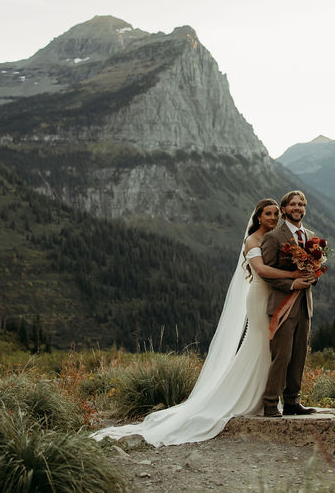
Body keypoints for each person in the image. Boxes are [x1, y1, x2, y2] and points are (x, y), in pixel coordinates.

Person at [91, 198, 306, 446]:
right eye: (268, 214)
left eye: (276, 214)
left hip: (273, 297)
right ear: (258, 217)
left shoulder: (272, 238)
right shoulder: (253, 240)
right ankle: (249, 398)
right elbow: (261, 270)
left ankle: (264, 398)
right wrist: (293, 274)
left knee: (267, 349)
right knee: (259, 345)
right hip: (259, 298)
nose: (273, 218)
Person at [259, 190, 319, 417]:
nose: (298, 208)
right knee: (281, 356)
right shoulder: (273, 238)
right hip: (283, 305)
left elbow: (313, 266)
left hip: (305, 306)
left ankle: (293, 402)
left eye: (301, 204)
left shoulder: (311, 236)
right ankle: (271, 404)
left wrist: (313, 276)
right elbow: (266, 274)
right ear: (284, 210)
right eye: (293, 204)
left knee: (299, 355)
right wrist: (292, 284)